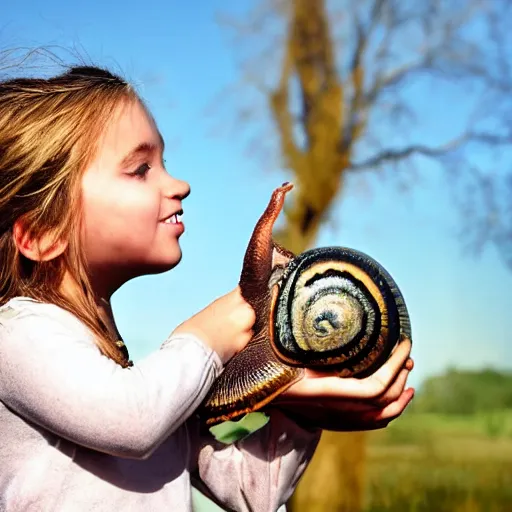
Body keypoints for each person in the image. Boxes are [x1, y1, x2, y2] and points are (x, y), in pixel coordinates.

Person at [0, 65, 414, 512]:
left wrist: (301, 411)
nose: (180, 185)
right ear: (42, 233)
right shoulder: (15, 338)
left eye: (164, 163)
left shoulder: (123, 372)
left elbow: (251, 492)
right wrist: (209, 333)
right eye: (141, 169)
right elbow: (133, 420)